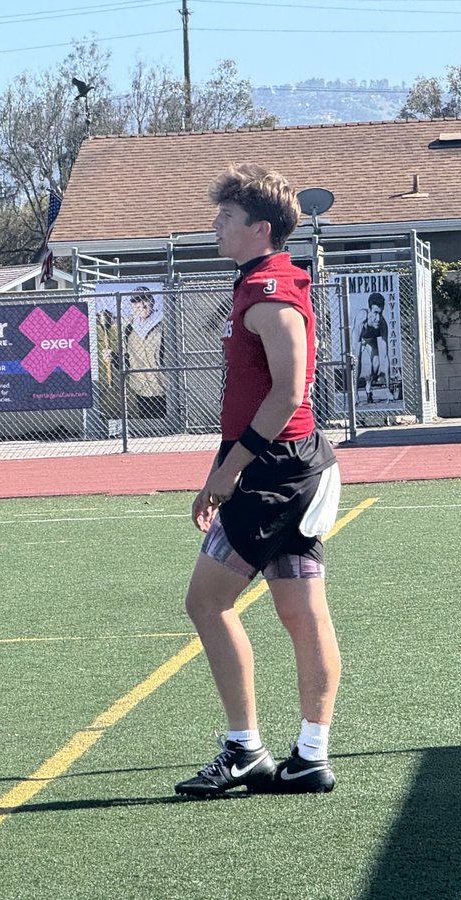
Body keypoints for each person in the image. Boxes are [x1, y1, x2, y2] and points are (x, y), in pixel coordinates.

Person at [174, 164, 342, 798]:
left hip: (277, 472)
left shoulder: (270, 292)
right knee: (300, 612)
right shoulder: (257, 284)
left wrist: (226, 475)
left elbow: (287, 395)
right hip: (285, 467)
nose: (215, 225)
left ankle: (245, 749)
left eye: (227, 218)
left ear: (261, 229)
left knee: (207, 602)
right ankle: (309, 756)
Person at [123, 286, 166, 419]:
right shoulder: (129, 328)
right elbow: (127, 359)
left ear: (152, 302)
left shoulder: (163, 324)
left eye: (145, 300)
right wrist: (112, 358)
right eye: (136, 301)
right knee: (146, 425)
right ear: (131, 305)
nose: (141, 305)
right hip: (140, 387)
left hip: (162, 387)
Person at [353, 292, 391, 405]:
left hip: (371, 339)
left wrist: (388, 390)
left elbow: (385, 356)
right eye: (375, 313)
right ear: (369, 311)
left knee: (376, 365)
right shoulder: (361, 318)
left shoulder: (382, 325)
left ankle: (368, 387)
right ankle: (355, 393)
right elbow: (357, 358)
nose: (377, 318)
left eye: (380, 313)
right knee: (357, 362)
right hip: (359, 338)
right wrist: (355, 395)